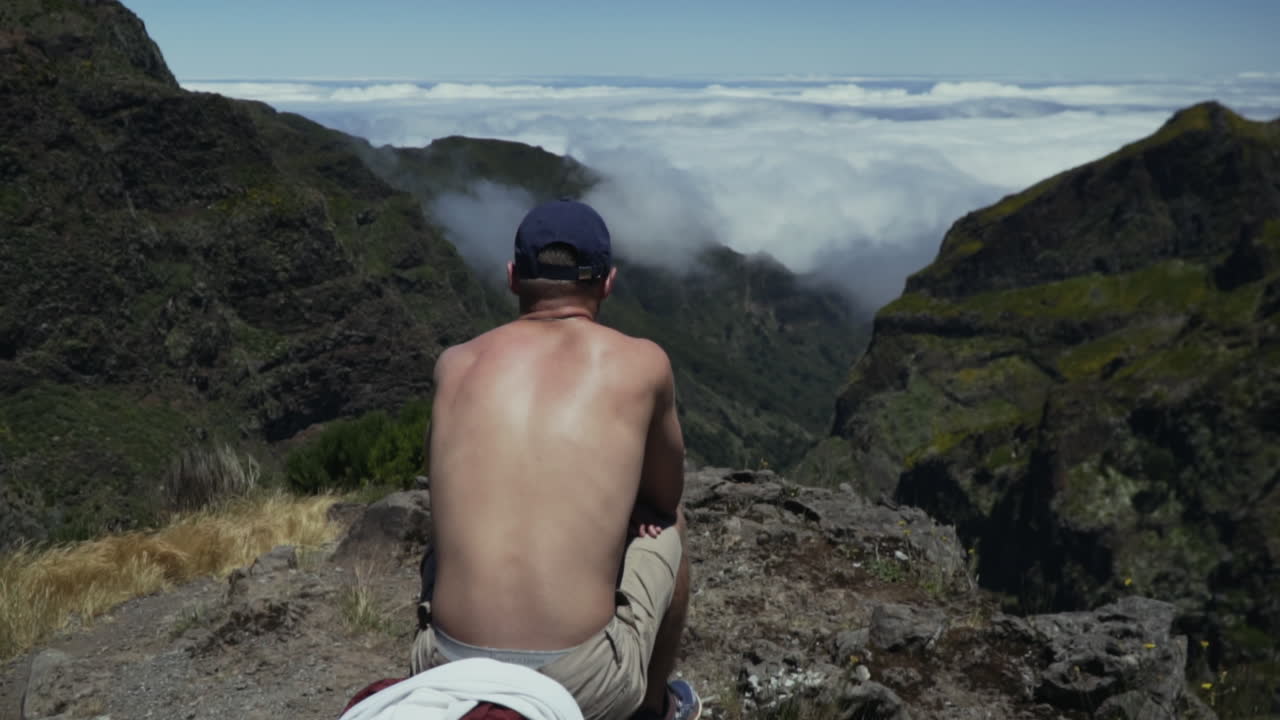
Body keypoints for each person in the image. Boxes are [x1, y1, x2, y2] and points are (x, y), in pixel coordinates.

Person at [411, 199, 699, 720]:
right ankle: (652, 709)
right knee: (668, 521)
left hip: (445, 667)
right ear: (607, 283)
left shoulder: (454, 364)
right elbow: (664, 495)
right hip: (580, 682)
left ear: (512, 277)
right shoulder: (643, 362)